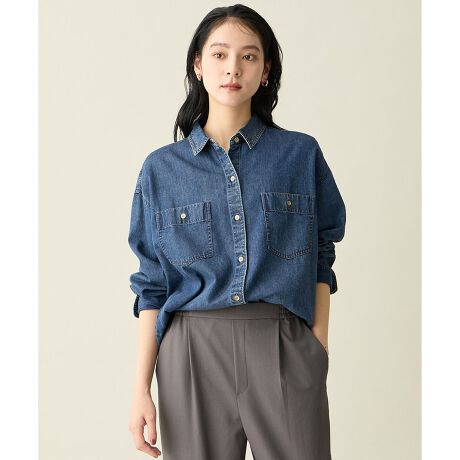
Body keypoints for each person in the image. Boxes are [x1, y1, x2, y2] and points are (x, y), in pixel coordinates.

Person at [127, 4, 346, 460]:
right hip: (191, 351)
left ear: (266, 72)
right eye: (220, 54)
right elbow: (153, 285)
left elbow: (321, 254)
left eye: (249, 56)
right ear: (198, 65)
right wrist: (140, 389)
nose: (233, 68)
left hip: (283, 341)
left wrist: (316, 347)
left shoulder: (300, 155)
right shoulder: (161, 170)